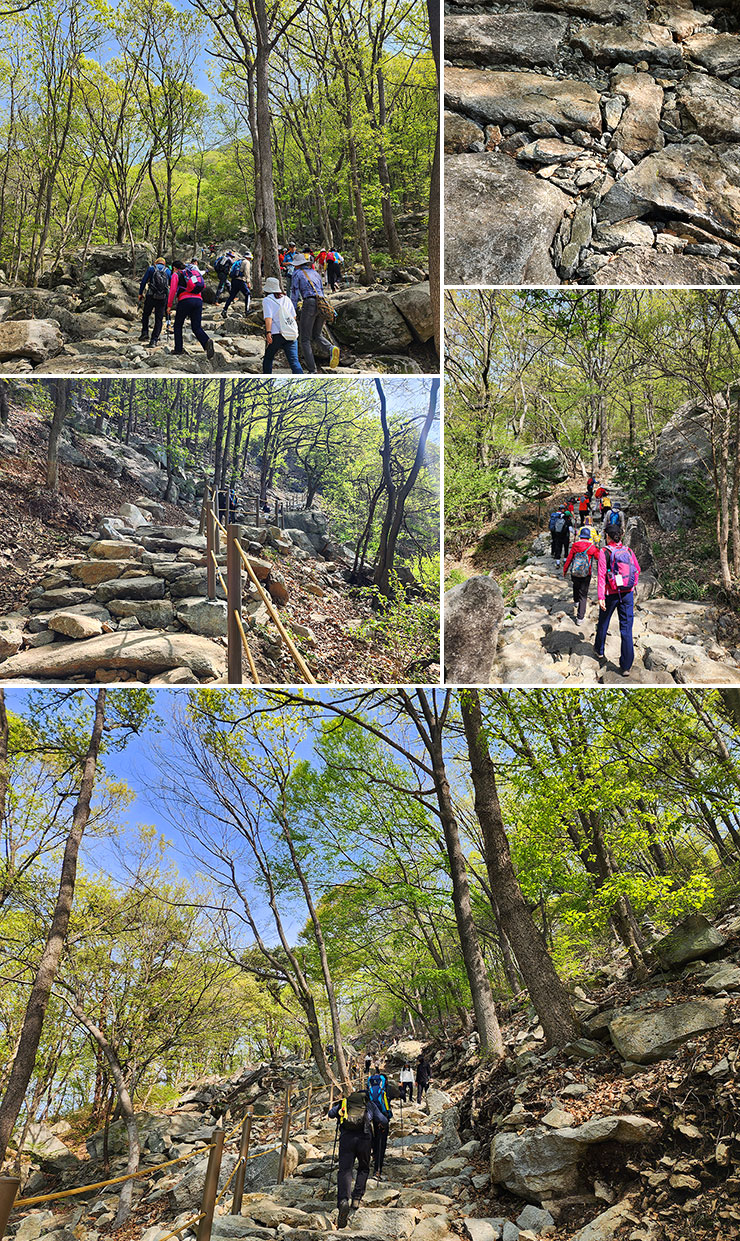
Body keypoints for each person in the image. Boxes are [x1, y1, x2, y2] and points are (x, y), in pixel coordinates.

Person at [328, 1088, 388, 1229]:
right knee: (363, 1168)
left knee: (345, 1170)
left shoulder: (345, 1102)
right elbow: (383, 1120)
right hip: (364, 1139)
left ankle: (343, 1200)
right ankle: (356, 1198)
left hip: (346, 1139)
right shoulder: (369, 1104)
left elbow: (331, 1114)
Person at [594, 521, 641, 676]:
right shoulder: (628, 551)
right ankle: (626, 666)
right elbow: (637, 570)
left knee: (603, 622)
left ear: (607, 536)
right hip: (627, 593)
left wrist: (600, 596)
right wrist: (631, 586)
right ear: (620, 536)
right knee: (626, 629)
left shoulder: (604, 552)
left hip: (610, 593)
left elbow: (601, 576)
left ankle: (599, 650)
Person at [290, 255, 340, 373]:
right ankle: (331, 348)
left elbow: (294, 293)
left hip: (310, 303)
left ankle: (312, 370)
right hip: (321, 304)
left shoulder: (297, 274)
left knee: (305, 339)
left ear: (297, 264)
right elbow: (321, 291)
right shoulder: (315, 273)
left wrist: (292, 310)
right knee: (317, 335)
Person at [167, 260, 214, 359]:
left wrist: (169, 305)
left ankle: (178, 349)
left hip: (185, 300)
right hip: (198, 300)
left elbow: (172, 291)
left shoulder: (176, 274)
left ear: (174, 268)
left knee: (178, 325)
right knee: (196, 327)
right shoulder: (193, 273)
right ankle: (206, 341)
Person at [262, 276, 303, 374]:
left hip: (277, 334)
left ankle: (267, 380)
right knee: (294, 362)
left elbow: (268, 318)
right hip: (290, 334)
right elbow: (293, 317)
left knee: (268, 358)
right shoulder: (286, 298)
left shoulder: (267, 300)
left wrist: (268, 332)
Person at [563, 525, 600, 624]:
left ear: (580, 536)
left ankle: (576, 601)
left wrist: (565, 570)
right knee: (583, 595)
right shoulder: (592, 547)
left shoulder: (575, 546)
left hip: (574, 572)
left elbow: (569, 558)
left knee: (575, 586)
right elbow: (599, 558)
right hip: (586, 573)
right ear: (589, 537)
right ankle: (580, 618)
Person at [367, 1066, 394, 1179]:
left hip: (372, 1116)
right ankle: (378, 1169)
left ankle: (374, 1156)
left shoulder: (370, 1089)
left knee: (374, 1138)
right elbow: (400, 1094)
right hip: (383, 1117)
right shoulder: (387, 1089)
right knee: (381, 1141)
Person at [138, 257, 171, 348]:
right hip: (162, 298)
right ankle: (154, 340)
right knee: (159, 318)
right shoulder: (168, 271)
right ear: (164, 263)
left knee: (146, 314)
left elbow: (143, 281)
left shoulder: (151, 269)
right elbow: (171, 285)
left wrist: (140, 293)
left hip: (151, 296)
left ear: (156, 263)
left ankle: (145, 333)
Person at [223, 252, 252, 319]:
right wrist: (248, 282)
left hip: (234, 280)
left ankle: (224, 310)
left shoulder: (238, 261)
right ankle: (247, 311)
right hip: (241, 280)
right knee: (248, 294)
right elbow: (247, 272)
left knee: (232, 296)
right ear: (248, 257)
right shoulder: (246, 262)